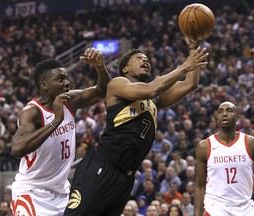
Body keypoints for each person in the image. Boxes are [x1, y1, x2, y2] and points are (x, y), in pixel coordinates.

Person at [64, 37, 208, 216]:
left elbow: (190, 84)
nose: (145, 60)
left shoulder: (154, 98)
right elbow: (150, 89)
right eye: (139, 58)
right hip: (103, 165)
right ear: (125, 68)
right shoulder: (118, 83)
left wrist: (193, 48)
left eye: (147, 59)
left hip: (126, 176)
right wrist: (184, 66)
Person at [10, 47, 111, 215]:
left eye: (67, 78)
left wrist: (100, 67)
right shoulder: (32, 112)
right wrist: (56, 121)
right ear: (44, 86)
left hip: (62, 192)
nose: (67, 83)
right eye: (60, 79)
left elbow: (103, 91)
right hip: (32, 191)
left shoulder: (69, 101)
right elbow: (17, 149)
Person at [195, 101, 254, 216]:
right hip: (215, 207)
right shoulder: (204, 146)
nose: (224, 114)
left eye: (229, 110)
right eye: (220, 111)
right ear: (216, 118)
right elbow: (200, 185)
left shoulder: (250, 143)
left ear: (237, 117)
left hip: (245, 208)